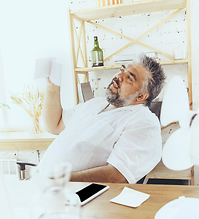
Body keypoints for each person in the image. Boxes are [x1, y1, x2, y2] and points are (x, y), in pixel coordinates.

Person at [38, 54, 166, 183]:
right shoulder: (96, 103)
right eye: (122, 70)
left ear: (142, 96)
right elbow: (54, 125)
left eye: (129, 78)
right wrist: (52, 85)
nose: (118, 76)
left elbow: (118, 174)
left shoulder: (144, 122)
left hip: (76, 195)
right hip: (45, 187)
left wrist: (61, 179)